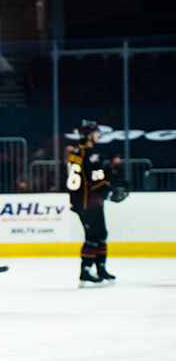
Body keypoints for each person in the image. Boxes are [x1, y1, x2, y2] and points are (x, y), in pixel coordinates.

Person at [67, 120, 127, 288]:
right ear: (88, 136)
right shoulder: (92, 154)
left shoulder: (76, 152)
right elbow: (95, 181)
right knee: (93, 236)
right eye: (96, 133)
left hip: (85, 201)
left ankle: (101, 270)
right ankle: (86, 272)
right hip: (89, 201)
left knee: (101, 234)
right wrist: (110, 194)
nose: (98, 135)